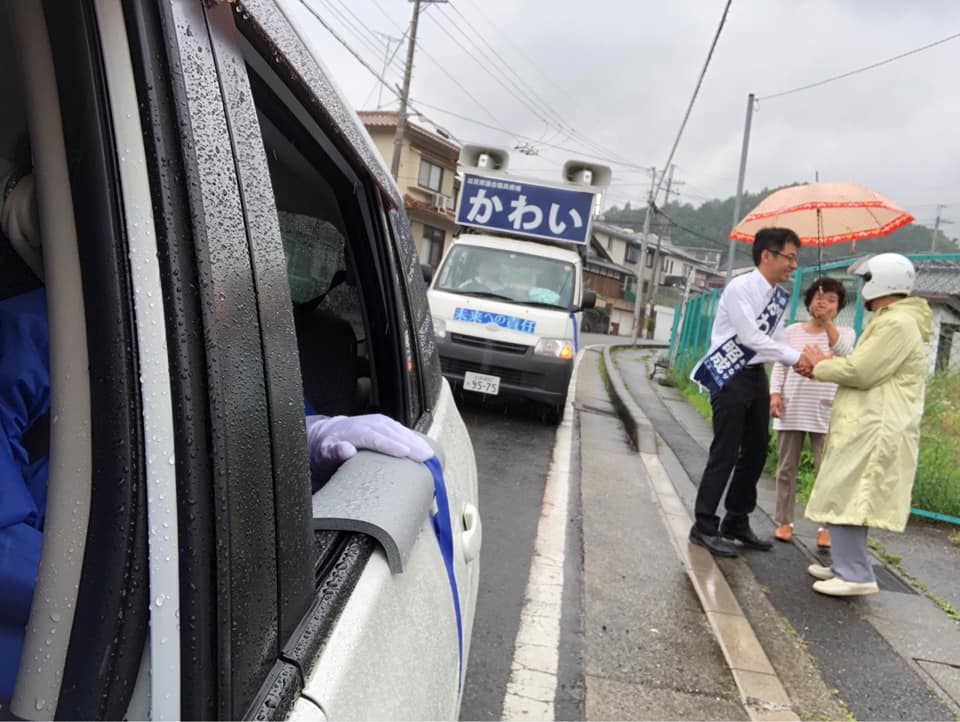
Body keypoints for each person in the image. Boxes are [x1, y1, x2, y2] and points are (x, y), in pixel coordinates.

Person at [0, 164, 432, 702]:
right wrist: (142, 591)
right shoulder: (32, 330)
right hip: (56, 662)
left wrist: (317, 434)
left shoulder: (209, 339)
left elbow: (257, 417)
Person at [801, 253, 931, 597]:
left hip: (877, 425)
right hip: (872, 421)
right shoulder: (894, 320)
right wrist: (822, 366)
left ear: (880, 282)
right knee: (848, 492)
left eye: (865, 281)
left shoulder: (896, 323)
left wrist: (820, 366)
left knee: (848, 491)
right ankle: (846, 564)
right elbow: (862, 363)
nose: (862, 289)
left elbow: (861, 371)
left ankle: (855, 573)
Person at [688, 227, 812, 557]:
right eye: (789, 257)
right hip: (729, 374)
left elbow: (780, 338)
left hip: (755, 376)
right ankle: (703, 525)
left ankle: (736, 519)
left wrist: (802, 362)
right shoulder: (739, 288)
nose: (793, 266)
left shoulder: (778, 297)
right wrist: (798, 358)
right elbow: (750, 338)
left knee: (757, 449)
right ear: (766, 255)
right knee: (725, 451)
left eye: (795, 259)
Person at [769, 277, 855, 547]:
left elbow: (845, 356)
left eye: (831, 300)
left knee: (826, 471)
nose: (824, 303)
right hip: (792, 407)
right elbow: (780, 365)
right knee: (786, 469)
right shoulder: (792, 331)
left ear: (839, 306)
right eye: (819, 297)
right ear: (808, 302)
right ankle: (784, 522)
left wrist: (828, 324)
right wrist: (774, 394)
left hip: (827, 411)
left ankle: (825, 527)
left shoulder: (846, 333)